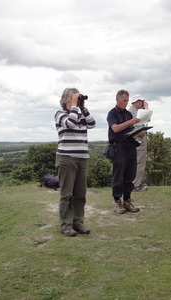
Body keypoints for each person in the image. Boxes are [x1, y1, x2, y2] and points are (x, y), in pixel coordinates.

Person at [54, 87, 96, 237]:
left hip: (82, 158)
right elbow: (70, 123)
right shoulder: (60, 114)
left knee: (80, 194)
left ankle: (78, 223)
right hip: (66, 158)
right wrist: (73, 106)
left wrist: (83, 108)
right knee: (66, 194)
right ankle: (66, 225)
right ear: (66, 99)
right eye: (73, 98)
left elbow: (92, 124)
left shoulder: (79, 113)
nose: (77, 101)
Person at [107, 89, 141, 214]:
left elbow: (130, 130)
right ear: (117, 99)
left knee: (130, 175)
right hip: (119, 147)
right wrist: (130, 122)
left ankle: (127, 200)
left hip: (130, 146)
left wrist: (139, 133)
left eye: (127, 101)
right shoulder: (112, 113)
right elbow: (115, 128)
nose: (126, 103)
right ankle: (117, 202)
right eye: (124, 101)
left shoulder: (128, 114)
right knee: (118, 175)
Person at [128, 96, 149, 192]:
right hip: (139, 137)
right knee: (140, 161)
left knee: (136, 161)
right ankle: (136, 184)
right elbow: (147, 118)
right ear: (137, 102)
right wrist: (146, 108)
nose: (142, 104)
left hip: (136, 138)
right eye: (141, 101)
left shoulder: (131, 111)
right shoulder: (134, 112)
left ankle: (134, 183)